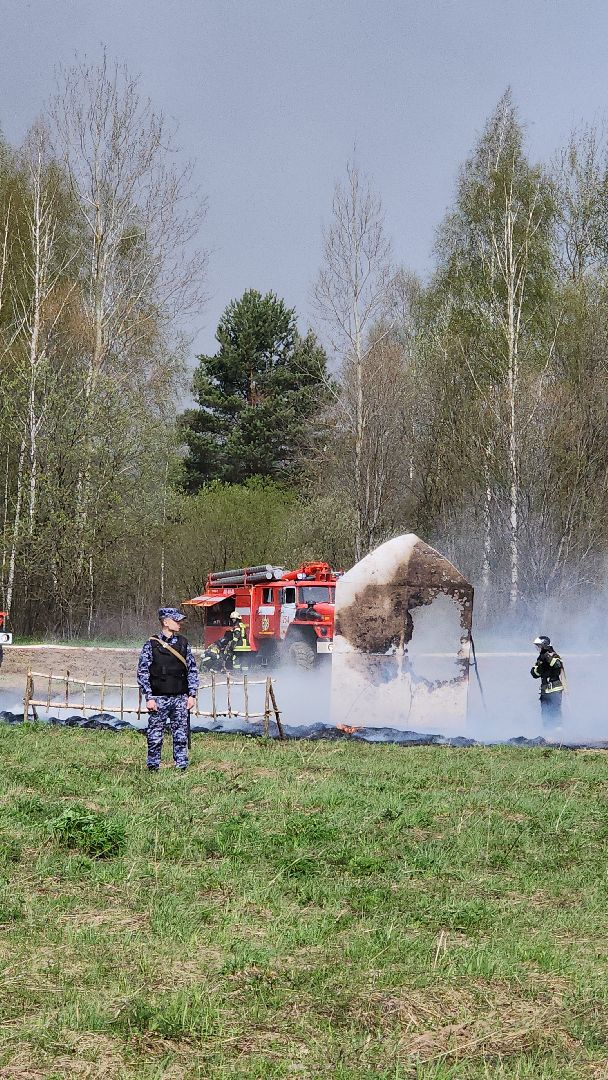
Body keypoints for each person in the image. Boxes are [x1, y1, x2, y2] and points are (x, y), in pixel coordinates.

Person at [137, 607, 198, 772]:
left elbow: (192, 670)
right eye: (175, 620)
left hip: (180, 698)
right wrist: (149, 697)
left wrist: (192, 695)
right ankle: (153, 766)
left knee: (180, 735)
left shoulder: (184, 643)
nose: (179, 623)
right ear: (165, 622)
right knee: (155, 736)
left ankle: (181, 766)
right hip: (158, 698)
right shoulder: (151, 644)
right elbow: (143, 673)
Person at [530, 635, 564, 726]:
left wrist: (548, 658)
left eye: (539, 646)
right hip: (544, 691)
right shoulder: (540, 658)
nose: (538, 648)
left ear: (544, 645)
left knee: (555, 712)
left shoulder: (554, 655)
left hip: (555, 689)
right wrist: (540, 668)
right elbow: (534, 673)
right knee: (545, 714)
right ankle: (548, 734)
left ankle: (558, 733)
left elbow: (557, 665)